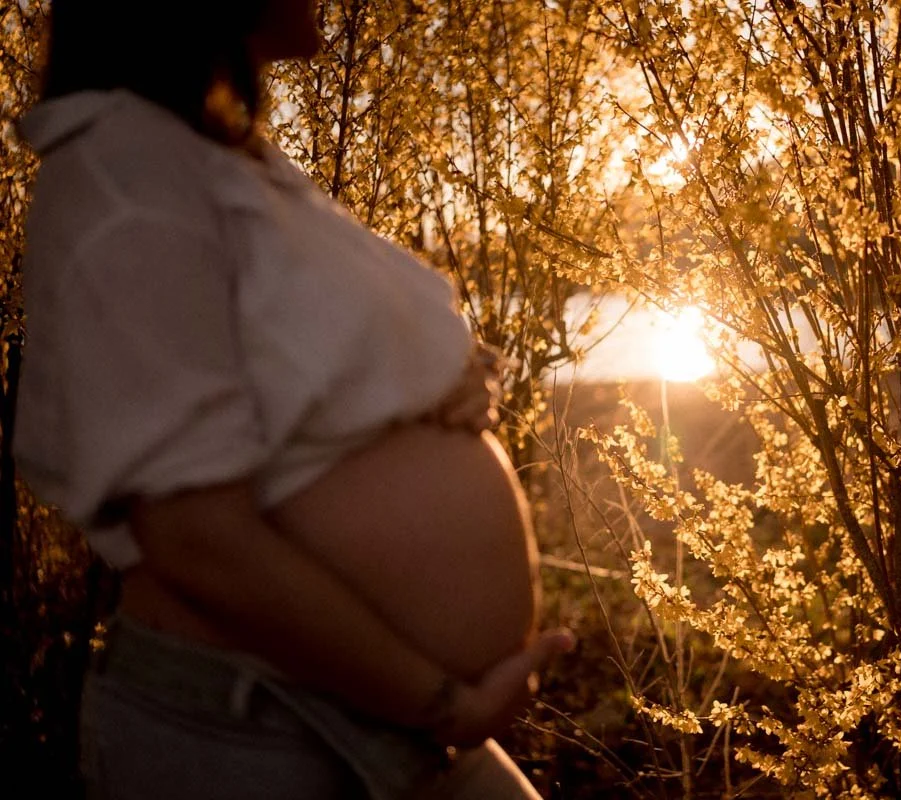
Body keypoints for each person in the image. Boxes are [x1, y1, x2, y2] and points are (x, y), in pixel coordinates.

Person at [14, 1, 575, 797]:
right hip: (255, 725)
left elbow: (297, 364)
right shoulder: (127, 172)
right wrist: (443, 702)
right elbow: (193, 534)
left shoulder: (212, 158)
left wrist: (434, 373)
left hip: (346, 708)